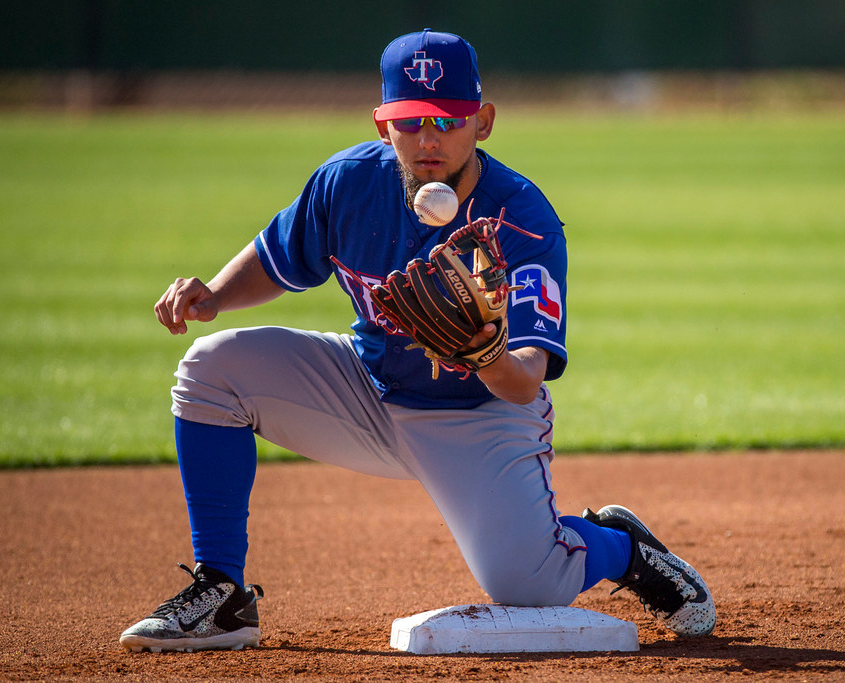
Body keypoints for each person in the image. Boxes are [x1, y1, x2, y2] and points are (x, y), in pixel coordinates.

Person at [120, 29, 716, 653]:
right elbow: (277, 257)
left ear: (482, 122)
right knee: (211, 370)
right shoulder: (347, 183)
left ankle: (622, 547)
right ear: (382, 126)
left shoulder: (524, 220)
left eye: (448, 119)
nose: (429, 140)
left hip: (479, 416)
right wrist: (212, 294)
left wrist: (483, 352)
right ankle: (222, 595)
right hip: (365, 390)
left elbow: (525, 382)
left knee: (528, 581)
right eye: (409, 122)